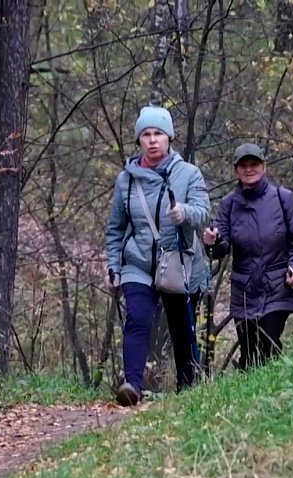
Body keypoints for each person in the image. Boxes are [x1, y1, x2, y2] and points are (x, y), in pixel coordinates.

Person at [105, 106, 210, 407]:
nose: (152, 141)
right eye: (146, 135)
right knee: (137, 318)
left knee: (182, 328)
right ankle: (132, 386)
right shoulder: (126, 179)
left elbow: (203, 214)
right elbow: (115, 228)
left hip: (175, 263)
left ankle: (189, 390)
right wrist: (114, 265)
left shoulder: (188, 174)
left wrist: (184, 213)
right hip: (137, 262)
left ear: (170, 138)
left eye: (158, 134)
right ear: (139, 140)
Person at [202, 143, 293, 370]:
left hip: (277, 285)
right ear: (236, 170)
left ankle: (272, 391)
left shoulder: (284, 198)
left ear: (264, 166)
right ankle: (254, 393)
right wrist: (211, 241)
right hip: (244, 289)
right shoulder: (229, 204)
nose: (249, 169)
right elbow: (220, 249)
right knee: (250, 353)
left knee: (267, 343)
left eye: (254, 164)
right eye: (243, 165)